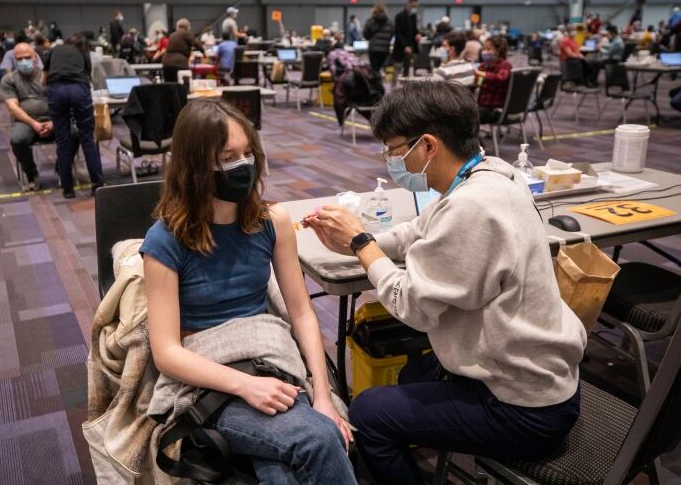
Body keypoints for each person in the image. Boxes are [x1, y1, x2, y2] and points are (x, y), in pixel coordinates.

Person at [306, 81, 585, 484]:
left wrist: (363, 244)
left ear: (428, 146)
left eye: (394, 149)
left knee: (368, 412)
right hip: (542, 376)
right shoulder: (488, 174)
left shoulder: (472, 208)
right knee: (413, 374)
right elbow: (419, 231)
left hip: (523, 408)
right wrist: (355, 242)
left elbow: (412, 306)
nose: (390, 159)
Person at [141, 99, 357, 484]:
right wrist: (246, 385)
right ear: (195, 167)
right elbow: (167, 353)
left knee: (287, 465)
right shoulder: (165, 241)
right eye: (228, 157)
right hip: (210, 379)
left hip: (270, 359)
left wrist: (323, 397)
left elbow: (302, 313)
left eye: (248, 153)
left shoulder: (272, 221)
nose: (244, 165)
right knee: (319, 439)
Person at [43, 33, 104, 198]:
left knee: (62, 140)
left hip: (56, 90)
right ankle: (97, 184)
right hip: (78, 89)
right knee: (87, 139)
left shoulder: (55, 50)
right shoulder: (82, 53)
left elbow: (44, 78)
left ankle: (68, 189)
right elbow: (88, 77)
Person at [0, 42, 54, 191]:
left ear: (35, 57)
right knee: (17, 140)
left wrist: (53, 122)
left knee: (75, 133)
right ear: (15, 60)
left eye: (27, 57)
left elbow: (60, 101)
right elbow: (13, 107)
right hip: (26, 122)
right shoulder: (9, 80)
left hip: (53, 118)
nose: (24, 62)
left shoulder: (48, 75)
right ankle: (31, 173)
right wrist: (34, 123)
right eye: (19, 59)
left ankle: (62, 167)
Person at [475, 35, 512, 123]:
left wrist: (482, 74)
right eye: (484, 49)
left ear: (498, 51)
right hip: (483, 105)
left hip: (495, 109)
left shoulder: (505, 64)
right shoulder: (484, 65)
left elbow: (501, 78)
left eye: (488, 49)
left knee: (464, 116)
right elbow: (477, 82)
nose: (484, 52)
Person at [392, 0, 421, 85]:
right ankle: (393, 90)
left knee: (407, 69)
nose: (415, 8)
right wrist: (405, 46)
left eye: (416, 7)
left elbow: (415, 30)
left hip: (411, 46)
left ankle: (404, 91)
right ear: (409, 5)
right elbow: (398, 33)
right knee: (397, 68)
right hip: (400, 47)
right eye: (414, 6)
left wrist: (418, 34)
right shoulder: (399, 16)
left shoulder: (413, 17)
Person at [162, 18, 197, 83]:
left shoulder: (172, 35)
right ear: (188, 27)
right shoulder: (186, 33)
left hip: (166, 62)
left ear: (177, 27)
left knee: (169, 86)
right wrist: (203, 51)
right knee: (183, 86)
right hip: (180, 63)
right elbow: (196, 44)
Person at [363, 3, 394, 75]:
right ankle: (379, 83)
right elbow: (392, 34)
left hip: (373, 49)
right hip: (385, 49)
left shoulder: (370, 20)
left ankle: (375, 84)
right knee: (380, 68)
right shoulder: (390, 21)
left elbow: (366, 35)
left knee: (374, 70)